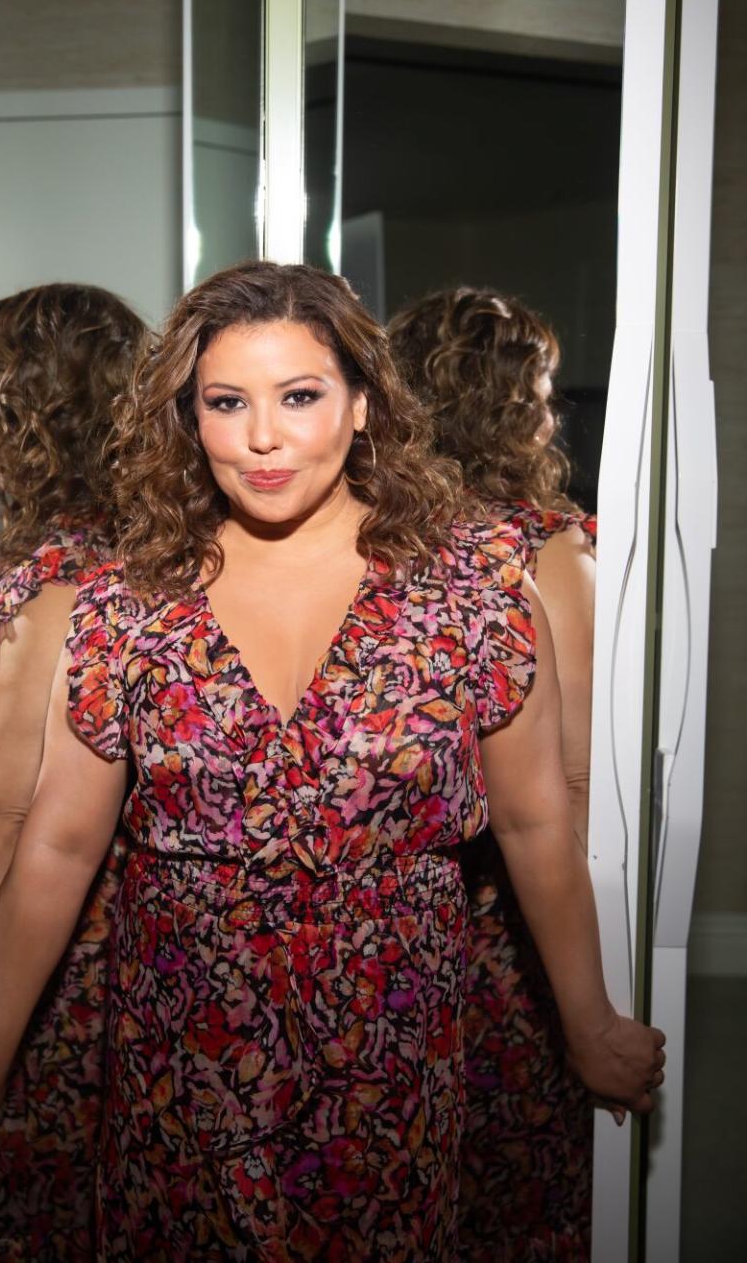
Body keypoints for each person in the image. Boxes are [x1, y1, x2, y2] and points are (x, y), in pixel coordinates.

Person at [0, 262, 664, 1262]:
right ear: (189, 418)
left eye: (299, 396)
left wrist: (591, 1021)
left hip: (392, 1049)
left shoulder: (476, 597)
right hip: (181, 1050)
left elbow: (534, 826)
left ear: (362, 406)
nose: (263, 438)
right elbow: (58, 842)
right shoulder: (127, 603)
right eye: (227, 402)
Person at [389, 285, 600, 1260]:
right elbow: (573, 772)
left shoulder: (368, 541)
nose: (552, 415)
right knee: (516, 1162)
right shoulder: (542, 550)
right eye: (545, 392)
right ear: (513, 402)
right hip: (516, 906)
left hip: (403, 909)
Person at [0, 282, 146, 1260]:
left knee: (38, 1197)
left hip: (48, 951)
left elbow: (7, 812)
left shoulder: (62, 580)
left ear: (29, 408)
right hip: (111, 933)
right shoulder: (133, 550)